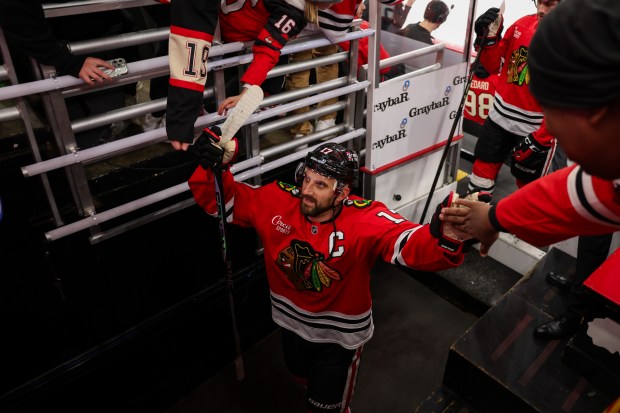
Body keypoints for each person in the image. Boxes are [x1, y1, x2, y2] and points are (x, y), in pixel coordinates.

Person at [188, 135, 480, 412]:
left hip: (338, 340)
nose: (306, 190)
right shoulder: (276, 199)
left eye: (320, 185)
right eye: (306, 179)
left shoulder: (367, 217)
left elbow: (409, 244)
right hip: (289, 325)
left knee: (326, 409)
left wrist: (446, 237)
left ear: (343, 192)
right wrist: (212, 166)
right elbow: (220, 202)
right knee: (301, 379)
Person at [438, 0, 620, 338]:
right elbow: (573, 193)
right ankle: (580, 293)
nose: (551, 121)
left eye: (555, 106)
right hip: (500, 121)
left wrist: (496, 217)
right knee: (592, 236)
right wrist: (488, 39)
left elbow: (568, 201)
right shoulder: (606, 170)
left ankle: (577, 314)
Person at [465, 0, 560, 196]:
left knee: (528, 192)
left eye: (549, 4)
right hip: (498, 118)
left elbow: (572, 103)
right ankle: (469, 224)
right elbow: (493, 66)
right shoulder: (522, 24)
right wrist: (487, 39)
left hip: (533, 130)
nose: (541, 9)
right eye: (540, 2)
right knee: (478, 181)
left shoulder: (576, 44)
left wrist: (542, 138)